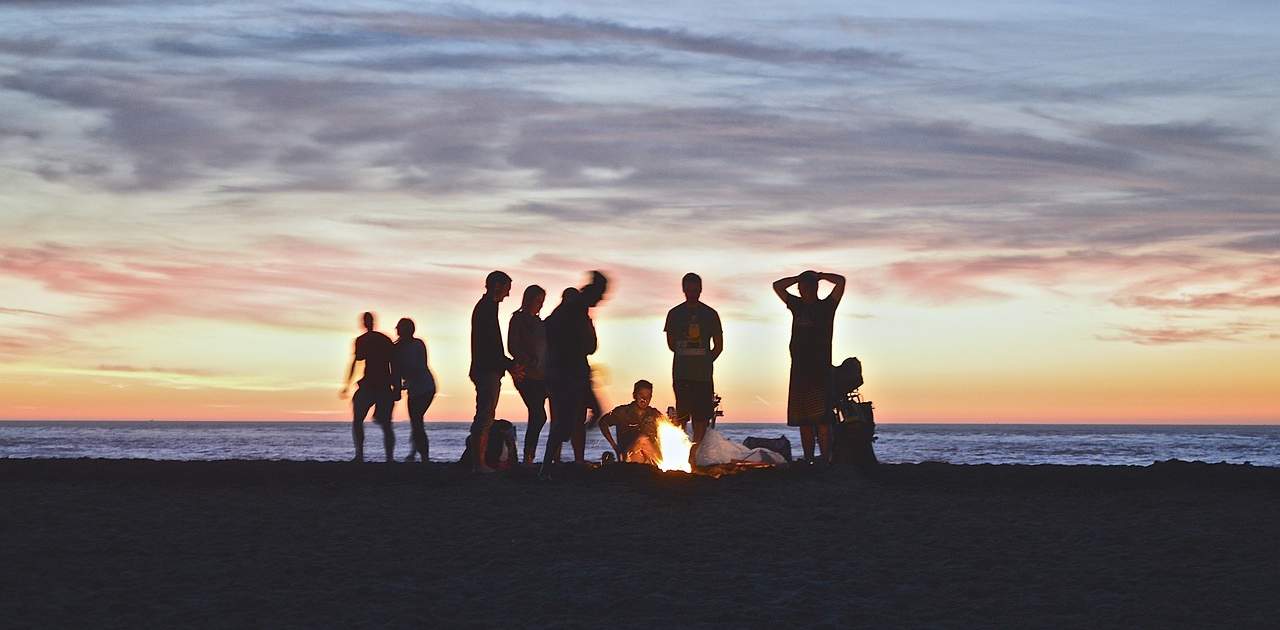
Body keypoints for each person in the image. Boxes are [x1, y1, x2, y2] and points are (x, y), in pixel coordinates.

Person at [772, 270, 846, 464]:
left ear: (814, 288)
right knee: (803, 420)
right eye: (800, 287)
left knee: (822, 419)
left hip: (820, 370)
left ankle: (826, 458)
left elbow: (841, 282)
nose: (801, 290)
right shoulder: (797, 305)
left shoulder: (827, 306)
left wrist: (820, 275)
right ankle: (808, 458)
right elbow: (777, 286)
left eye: (805, 287)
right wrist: (798, 278)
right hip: (799, 370)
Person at [541, 271, 608, 476]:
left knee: (582, 416)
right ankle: (547, 466)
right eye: (601, 294)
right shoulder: (576, 309)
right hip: (568, 373)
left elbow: (588, 345)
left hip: (571, 372)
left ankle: (550, 464)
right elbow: (588, 345)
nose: (602, 299)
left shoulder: (571, 311)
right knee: (566, 422)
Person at [663, 272, 722, 463]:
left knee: (702, 416)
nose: (691, 292)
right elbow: (671, 344)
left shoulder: (711, 314)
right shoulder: (674, 314)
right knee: (682, 416)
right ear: (683, 289)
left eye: (695, 289)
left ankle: (694, 455)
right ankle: (681, 452)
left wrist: (706, 360)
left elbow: (719, 346)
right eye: (688, 289)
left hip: (703, 375)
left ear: (700, 289)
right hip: (682, 373)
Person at [470, 271, 522, 473]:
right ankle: (479, 464)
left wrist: (506, 365)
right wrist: (508, 364)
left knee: (486, 415)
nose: (508, 295)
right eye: (507, 289)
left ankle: (479, 463)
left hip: (487, 368)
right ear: (497, 286)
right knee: (484, 416)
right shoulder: (486, 309)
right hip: (486, 369)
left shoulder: (488, 308)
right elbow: (491, 345)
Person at [339, 312, 396, 462]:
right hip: (376, 384)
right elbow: (394, 364)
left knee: (369, 421)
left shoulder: (366, 340)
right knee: (379, 423)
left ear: (364, 323)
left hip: (377, 384)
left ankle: (363, 455)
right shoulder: (382, 339)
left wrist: (347, 384)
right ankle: (368, 456)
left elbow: (393, 363)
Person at [508, 285, 548, 464]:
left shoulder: (540, 324)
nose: (539, 305)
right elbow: (512, 346)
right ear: (528, 300)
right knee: (538, 415)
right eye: (537, 301)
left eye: (542, 302)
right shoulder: (518, 319)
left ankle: (530, 456)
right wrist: (527, 360)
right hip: (525, 374)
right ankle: (528, 456)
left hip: (542, 375)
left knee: (538, 415)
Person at [392, 317, 436, 462]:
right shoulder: (397, 348)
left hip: (425, 387)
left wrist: (401, 386)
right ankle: (415, 453)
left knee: (416, 420)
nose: (397, 330)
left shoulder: (417, 344)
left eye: (399, 328)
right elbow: (396, 371)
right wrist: (398, 387)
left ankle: (423, 456)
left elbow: (419, 366)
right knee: (416, 421)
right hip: (414, 388)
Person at [597, 380, 662, 465]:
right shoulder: (622, 412)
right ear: (634, 395)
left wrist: (673, 419)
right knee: (642, 440)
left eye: (648, 396)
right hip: (630, 457)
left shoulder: (654, 413)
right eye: (641, 395)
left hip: (650, 458)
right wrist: (615, 446)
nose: (644, 399)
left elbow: (670, 429)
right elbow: (602, 422)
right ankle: (663, 466)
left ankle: (662, 466)